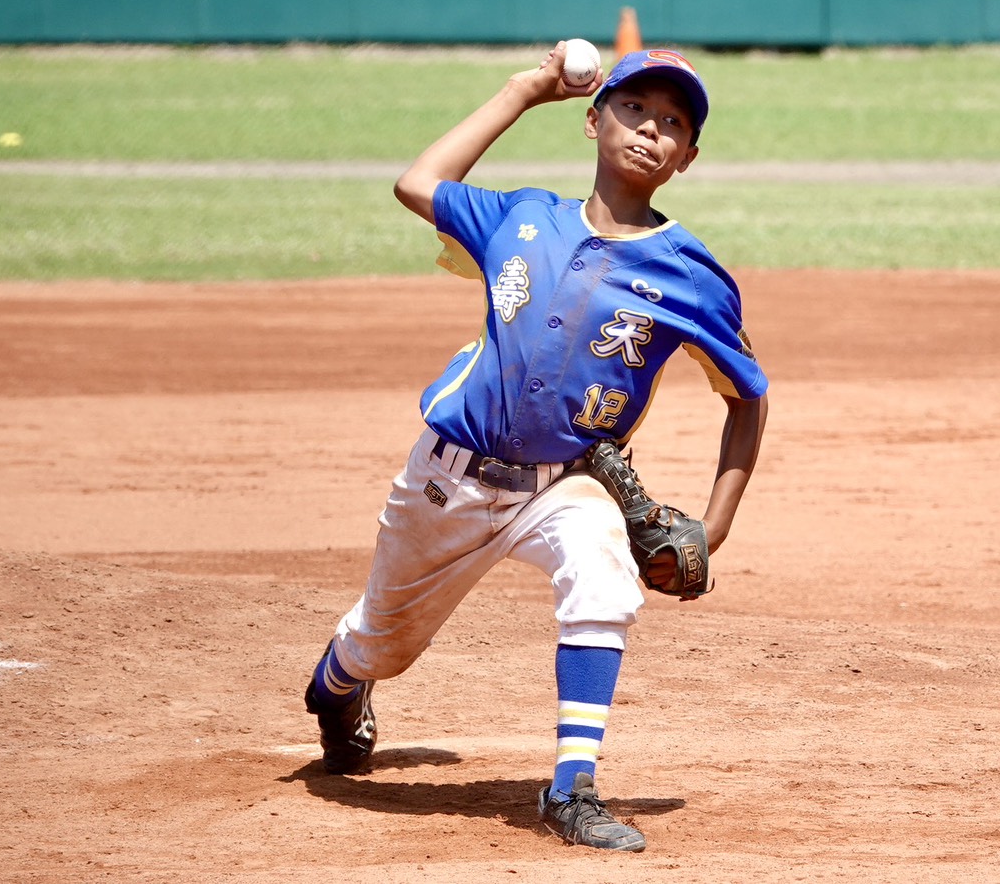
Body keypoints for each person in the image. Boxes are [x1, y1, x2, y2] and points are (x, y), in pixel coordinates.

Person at [301, 43, 770, 853]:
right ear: (593, 120)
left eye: (672, 122)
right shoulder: (521, 219)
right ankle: (337, 687)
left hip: (568, 482)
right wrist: (523, 90)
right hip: (447, 477)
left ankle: (571, 789)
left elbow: (746, 397)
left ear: (687, 157)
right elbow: (417, 183)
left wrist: (715, 525)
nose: (649, 129)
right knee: (382, 642)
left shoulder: (691, 274)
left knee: (604, 574)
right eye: (634, 108)